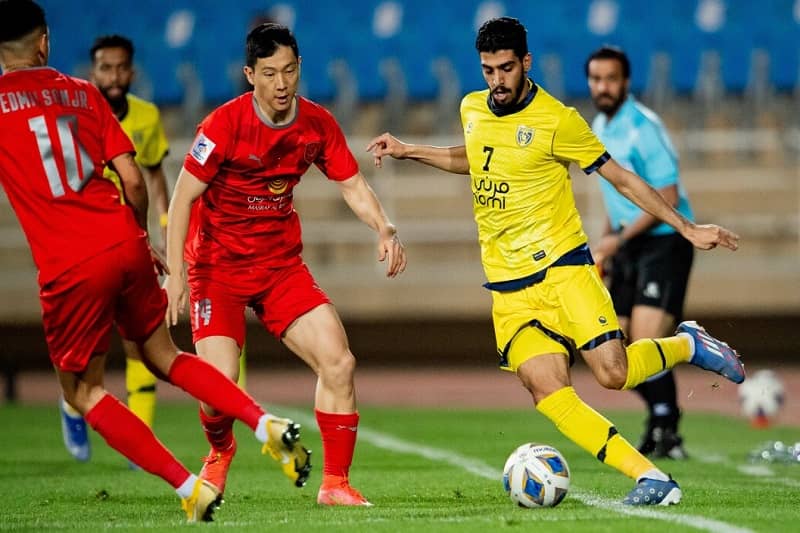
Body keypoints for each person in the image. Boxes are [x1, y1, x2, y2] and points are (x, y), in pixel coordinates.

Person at [366, 16, 744, 506]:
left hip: (563, 270)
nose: (497, 80)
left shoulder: (558, 120)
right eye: (487, 70)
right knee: (547, 390)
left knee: (613, 374)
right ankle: (652, 478)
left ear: (526, 62)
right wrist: (408, 150)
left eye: (506, 68)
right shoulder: (472, 107)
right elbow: (476, 157)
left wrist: (686, 227)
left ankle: (687, 343)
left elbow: (622, 178)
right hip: (508, 288)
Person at [0, 0, 310, 522]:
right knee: (164, 355)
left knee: (82, 391)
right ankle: (264, 423)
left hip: (68, 263)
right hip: (124, 239)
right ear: (44, 42)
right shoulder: (83, 93)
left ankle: (190, 487)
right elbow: (133, 177)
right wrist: (140, 236)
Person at [164, 22, 406, 507]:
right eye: (270, 73)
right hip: (217, 268)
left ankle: (335, 484)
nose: (281, 83)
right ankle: (220, 451)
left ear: (300, 69)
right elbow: (182, 197)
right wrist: (176, 276)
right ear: (249, 74)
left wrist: (383, 226)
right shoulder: (222, 126)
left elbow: (352, 184)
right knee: (217, 387)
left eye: (289, 71)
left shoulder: (316, 123)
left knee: (339, 362)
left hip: (279, 267)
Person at [58, 34, 172, 464]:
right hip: (85, 242)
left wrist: (164, 228)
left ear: (132, 71)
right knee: (85, 343)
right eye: (106, 68)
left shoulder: (146, 116)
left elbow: (154, 176)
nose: (114, 76)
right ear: (93, 72)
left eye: (121, 67)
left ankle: (139, 438)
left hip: (130, 239)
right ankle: (72, 405)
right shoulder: (76, 116)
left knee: (140, 337)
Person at [586, 46, 694, 460]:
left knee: (647, 341)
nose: (603, 87)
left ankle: (667, 428)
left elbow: (668, 196)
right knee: (615, 353)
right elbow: (618, 197)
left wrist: (619, 238)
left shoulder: (643, 127)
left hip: (663, 242)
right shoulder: (599, 125)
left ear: (626, 82)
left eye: (610, 79)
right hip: (627, 244)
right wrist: (606, 244)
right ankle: (662, 419)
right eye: (596, 79)